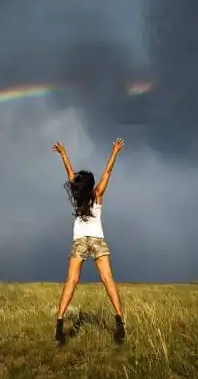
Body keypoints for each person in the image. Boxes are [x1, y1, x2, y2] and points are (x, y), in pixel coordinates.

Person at [51, 138, 126, 346]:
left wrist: (63, 153)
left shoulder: (78, 197)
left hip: (79, 241)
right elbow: (107, 173)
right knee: (107, 278)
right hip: (97, 239)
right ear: (91, 185)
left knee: (72, 280)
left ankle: (59, 322)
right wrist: (114, 152)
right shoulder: (98, 194)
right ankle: (119, 320)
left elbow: (70, 173)